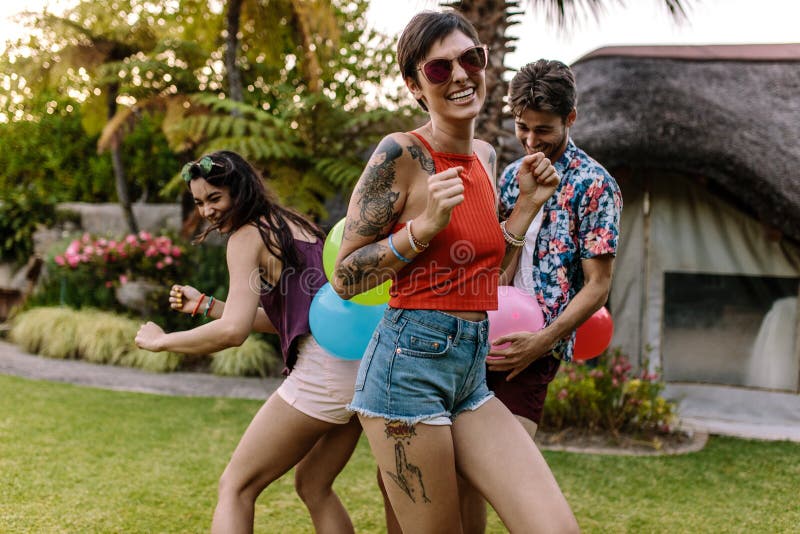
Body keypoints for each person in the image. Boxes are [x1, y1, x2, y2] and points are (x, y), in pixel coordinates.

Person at [331, 11, 579, 534]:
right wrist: (422, 227)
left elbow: (488, 272)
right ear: (415, 85)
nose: (461, 75)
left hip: (471, 368)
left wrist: (525, 210)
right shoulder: (400, 153)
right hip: (408, 370)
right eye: (439, 69)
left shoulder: (485, 156)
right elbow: (345, 277)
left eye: (471, 58)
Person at [134, 150, 362, 534]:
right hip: (360, 366)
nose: (206, 211)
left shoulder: (246, 237)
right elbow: (291, 322)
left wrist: (162, 341)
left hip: (323, 373)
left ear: (239, 190)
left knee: (236, 486)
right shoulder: (292, 224)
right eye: (199, 202)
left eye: (214, 198)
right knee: (314, 485)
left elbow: (233, 332)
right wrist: (208, 305)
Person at [459, 59, 623, 532]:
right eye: (522, 128)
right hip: (484, 336)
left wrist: (541, 342)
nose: (531, 141)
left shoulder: (596, 187)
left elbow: (598, 285)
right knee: (465, 473)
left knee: (510, 483)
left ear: (571, 119)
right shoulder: (511, 177)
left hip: (532, 350)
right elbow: (503, 259)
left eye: (544, 130)